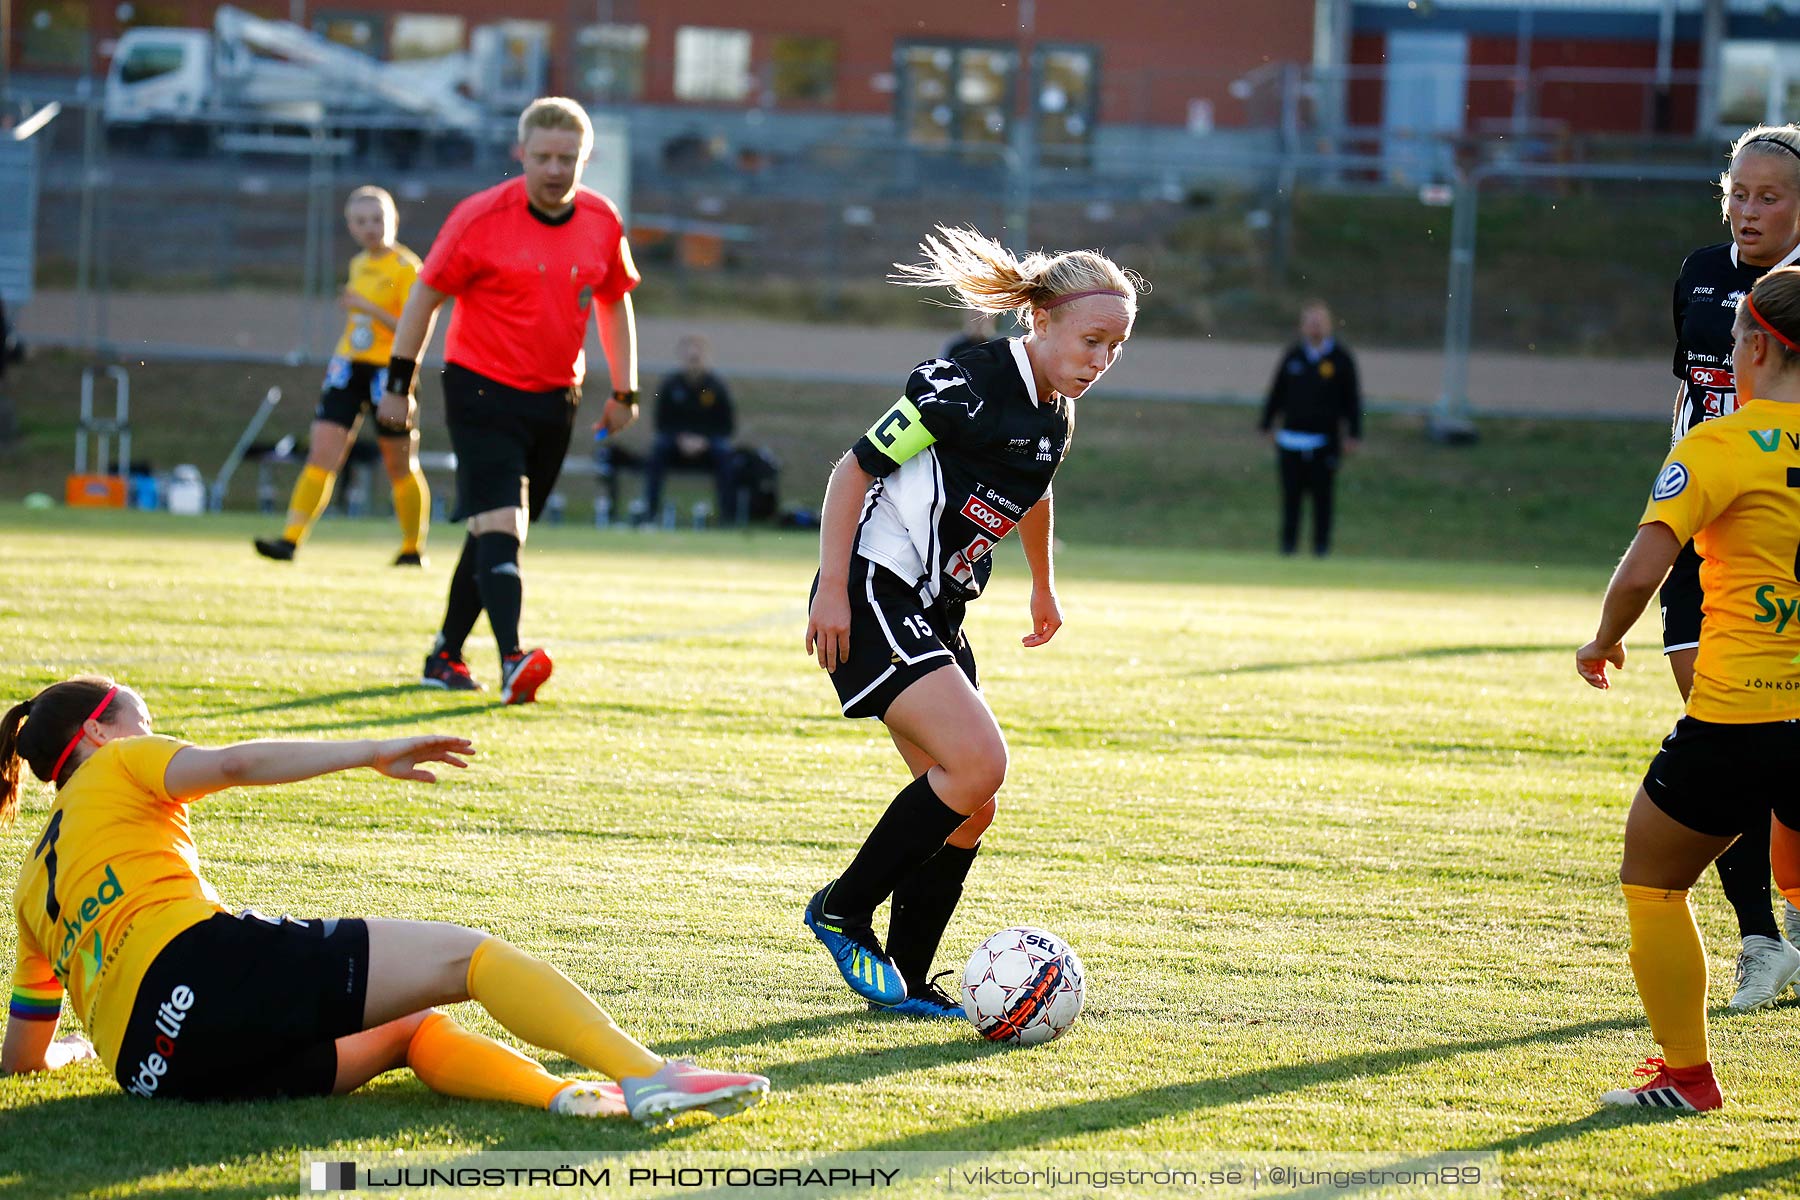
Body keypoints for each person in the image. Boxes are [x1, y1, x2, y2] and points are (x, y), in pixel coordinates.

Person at [0, 676, 769, 1124]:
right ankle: (648, 1072)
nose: (159, 737)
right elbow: (231, 764)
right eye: (144, 722)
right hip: (200, 972)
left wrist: (81, 1043)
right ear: (101, 737)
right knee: (468, 956)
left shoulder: (31, 883)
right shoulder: (123, 764)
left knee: (407, 1029)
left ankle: (566, 1097)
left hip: (155, 1069)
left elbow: (21, 1058)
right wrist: (372, 750)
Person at [801, 226, 1140, 1018]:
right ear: (1042, 321)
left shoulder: (1055, 415)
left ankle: (909, 978)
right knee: (980, 763)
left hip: (941, 610)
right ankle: (843, 910)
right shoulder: (963, 383)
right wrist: (833, 591)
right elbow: (856, 469)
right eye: (1091, 340)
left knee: (967, 800)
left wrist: (1043, 587)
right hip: (878, 593)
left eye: (1116, 348)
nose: (1101, 361)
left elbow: (1036, 486)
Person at [1576, 268, 1800, 1112]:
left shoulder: (1717, 445)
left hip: (1742, 709)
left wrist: (1602, 641)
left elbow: (1642, 572)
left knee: (1654, 882)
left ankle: (1688, 1078)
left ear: (1755, 346)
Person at [379, 97, 641, 703]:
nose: (554, 169)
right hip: (479, 386)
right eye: (543, 156)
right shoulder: (479, 218)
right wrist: (400, 383)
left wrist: (625, 390)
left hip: (556, 396)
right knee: (502, 522)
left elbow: (613, 300)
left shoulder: (602, 220)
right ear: (519, 154)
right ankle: (512, 660)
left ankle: (444, 653)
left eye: (567, 158)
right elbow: (425, 297)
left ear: (586, 157)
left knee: (495, 533)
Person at [1663, 123, 1800, 1010]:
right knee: (1723, 741)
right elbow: (1687, 396)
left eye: (1770, 196)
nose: (1748, 211)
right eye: (1738, 194)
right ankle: (1762, 939)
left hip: (1779, 540)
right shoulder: (1700, 274)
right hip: (1694, 530)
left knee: (1783, 755)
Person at [254, 187, 430, 566]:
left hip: (390, 370)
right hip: (350, 366)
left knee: (399, 462)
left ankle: (412, 549)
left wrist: (365, 305)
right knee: (322, 452)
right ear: (350, 226)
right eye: (361, 221)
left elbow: (411, 326)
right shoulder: (358, 264)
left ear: (393, 220)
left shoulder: (406, 268)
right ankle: (290, 540)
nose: (370, 228)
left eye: (378, 219)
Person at [1258, 300, 1361, 558]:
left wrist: (1354, 433)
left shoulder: (1341, 359)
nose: (1315, 327)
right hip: (1291, 440)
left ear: (1329, 325)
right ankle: (1288, 550)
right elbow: (1277, 393)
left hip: (1324, 442)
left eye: (1320, 322)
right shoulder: (1293, 356)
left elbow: (1353, 400)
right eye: (1310, 322)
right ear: (1302, 326)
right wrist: (1266, 424)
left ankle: (1321, 550)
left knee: (1322, 500)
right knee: (1291, 499)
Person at [641, 334, 737, 527]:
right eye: (689, 359)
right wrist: (681, 438)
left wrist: (704, 440)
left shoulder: (716, 387)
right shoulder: (670, 385)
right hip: (676, 444)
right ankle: (649, 514)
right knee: (657, 450)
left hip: (708, 445)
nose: (694, 363)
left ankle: (728, 518)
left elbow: (726, 425)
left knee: (726, 454)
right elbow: (661, 422)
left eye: (697, 358)